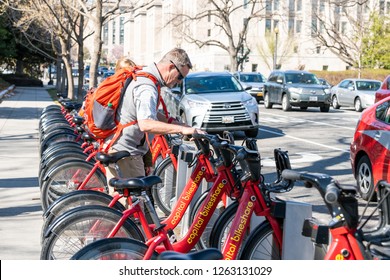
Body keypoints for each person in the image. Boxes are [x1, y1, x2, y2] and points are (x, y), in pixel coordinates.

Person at [105, 48, 203, 212]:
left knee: (120, 207)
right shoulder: (147, 87)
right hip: (127, 153)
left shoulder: (145, 77)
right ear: (171, 67)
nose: (178, 82)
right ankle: (119, 236)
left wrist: (174, 122)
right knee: (135, 210)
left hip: (117, 147)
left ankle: (110, 233)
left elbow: (149, 113)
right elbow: (146, 123)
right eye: (180, 77)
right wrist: (180, 129)